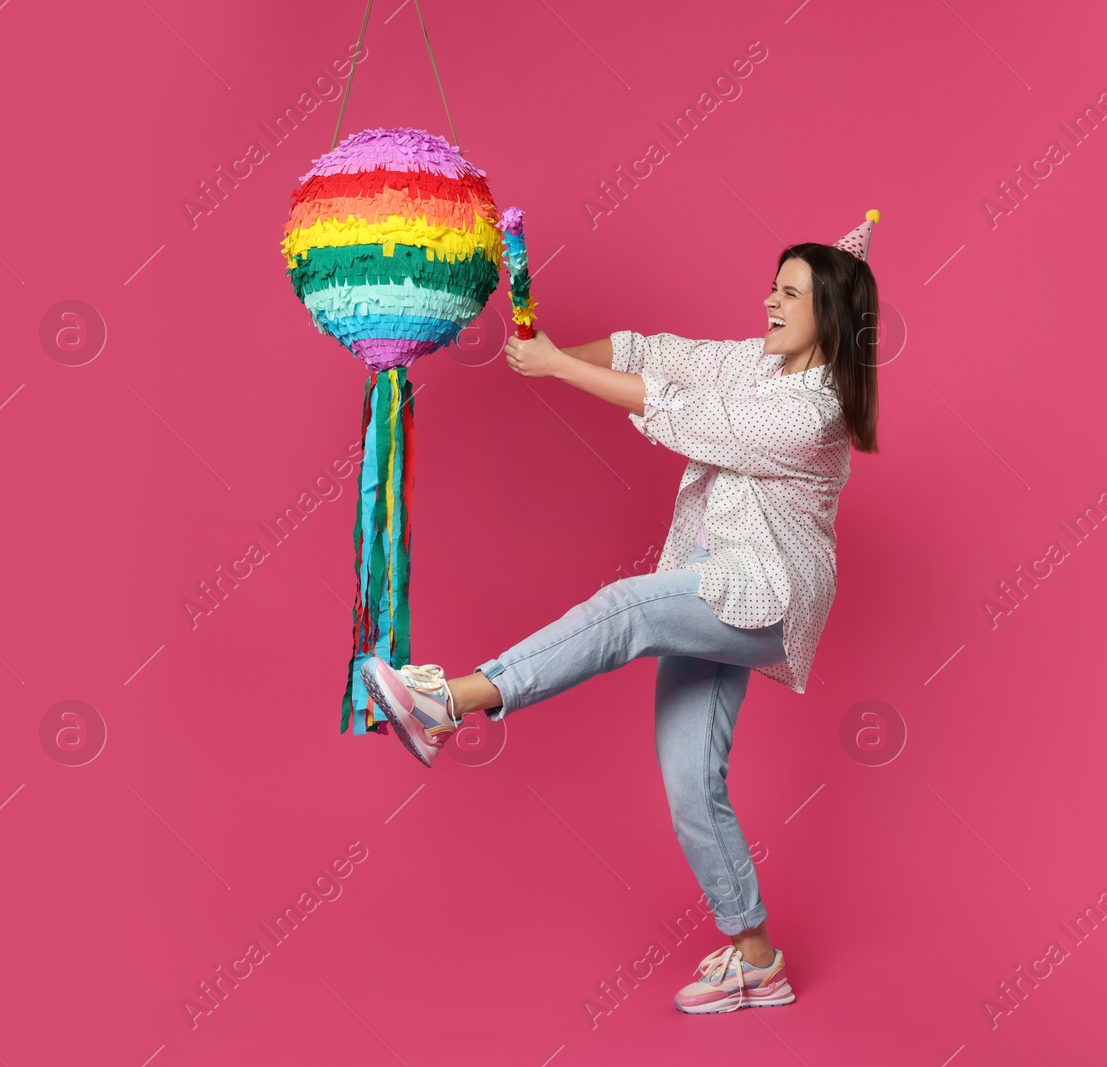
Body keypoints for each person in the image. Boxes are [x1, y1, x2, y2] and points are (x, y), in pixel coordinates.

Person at [360, 211, 882, 1014]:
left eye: (791, 293)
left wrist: (559, 372)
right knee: (689, 785)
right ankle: (758, 957)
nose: (770, 303)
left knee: (627, 608)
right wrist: (558, 359)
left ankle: (454, 697)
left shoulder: (811, 411)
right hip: (714, 583)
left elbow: (686, 415)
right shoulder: (755, 366)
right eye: (772, 287)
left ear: (831, 315)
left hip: (765, 593)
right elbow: (654, 354)